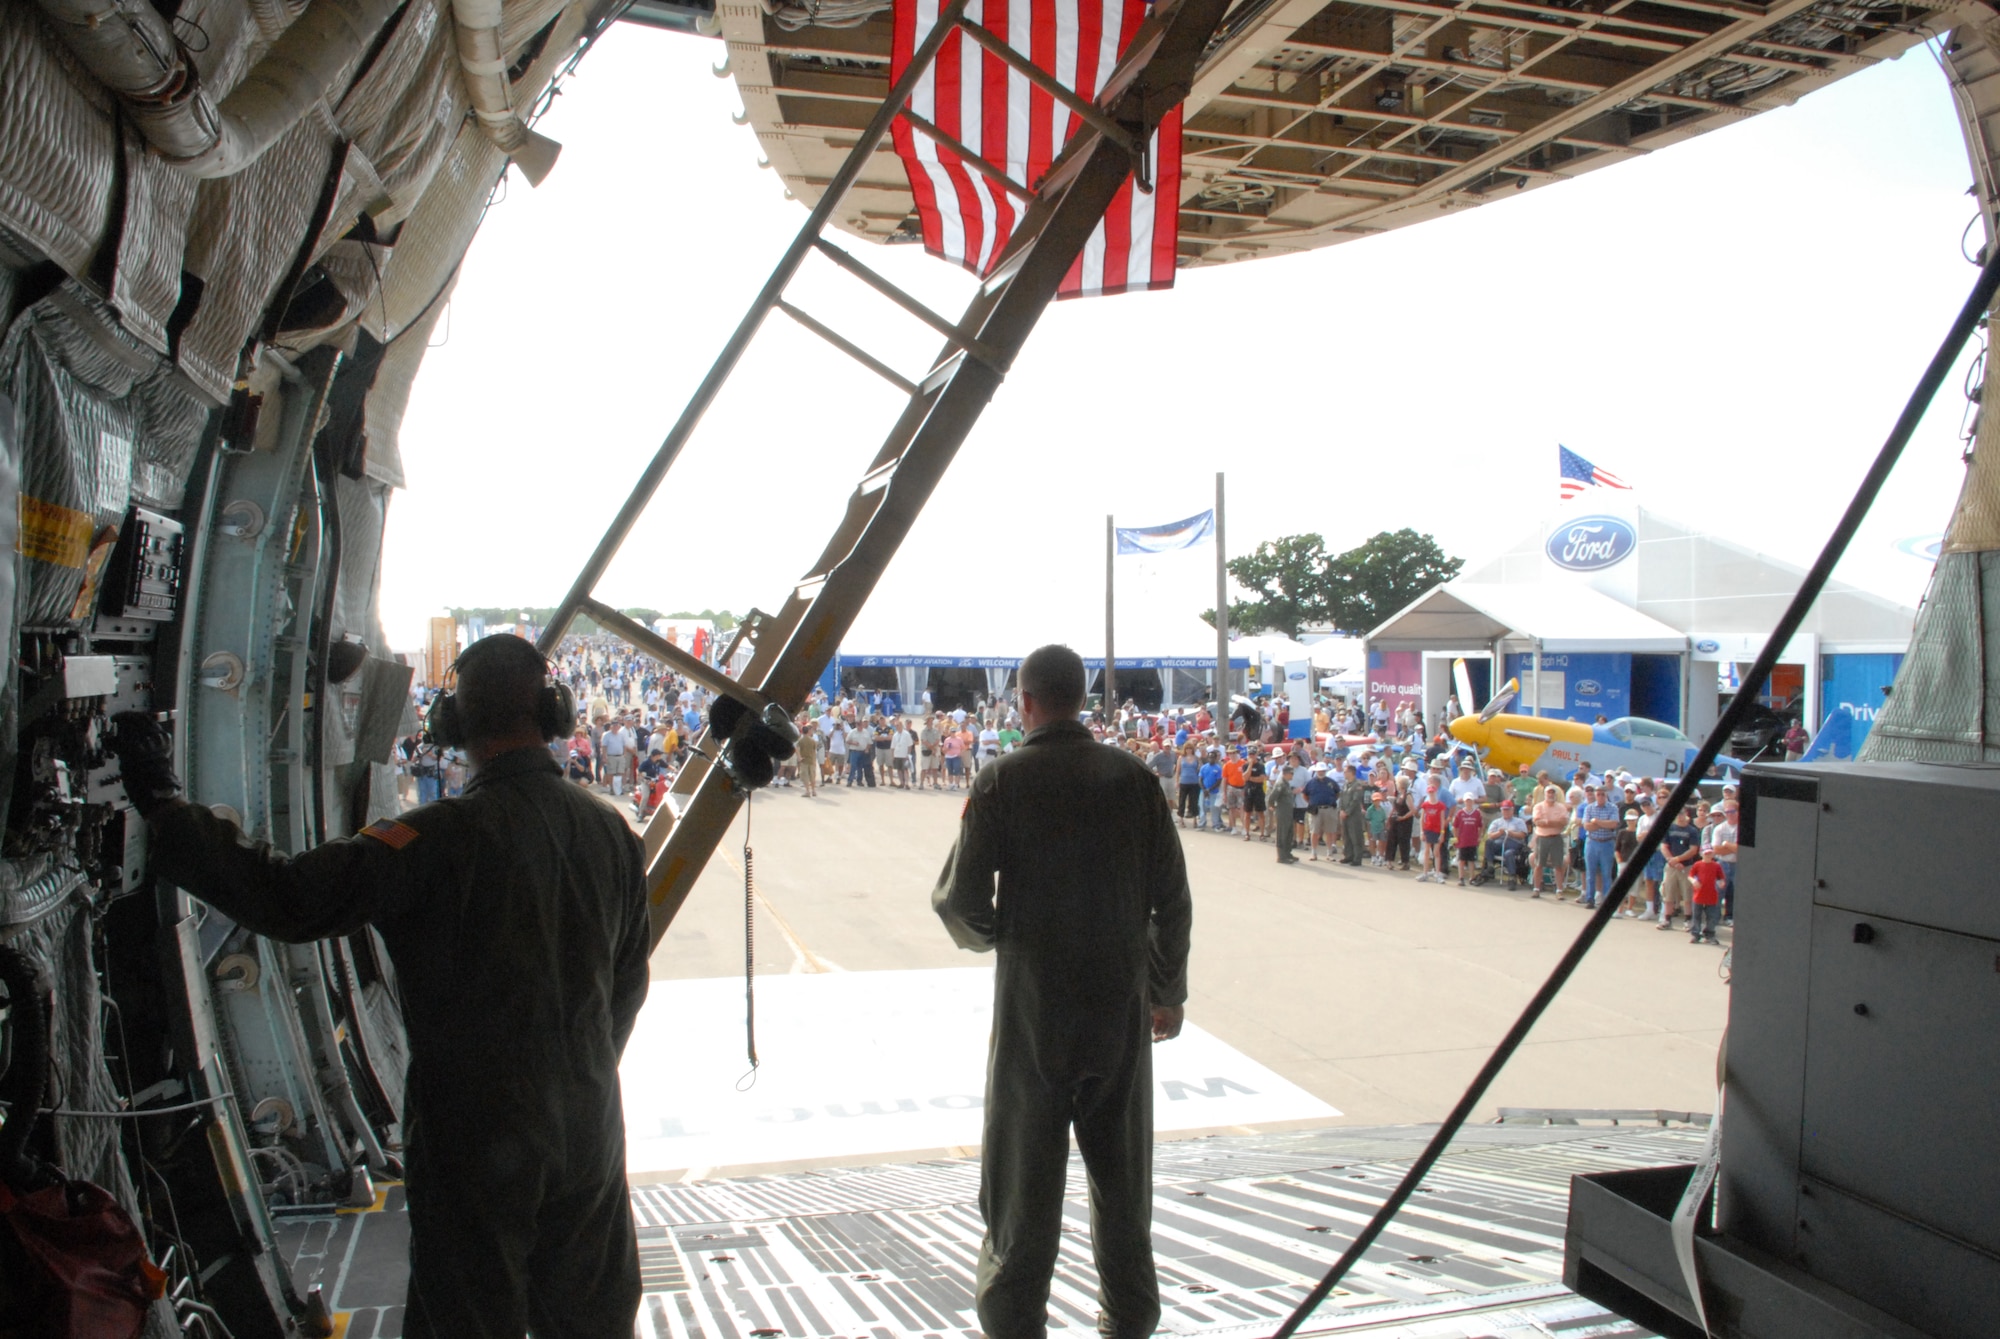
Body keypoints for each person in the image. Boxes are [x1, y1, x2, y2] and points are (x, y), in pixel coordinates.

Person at [110, 635, 648, 1337]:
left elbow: (291, 897)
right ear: (552, 711)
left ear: (455, 724)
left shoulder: (435, 838)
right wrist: (574, 1074)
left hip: (478, 1139)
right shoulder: (612, 833)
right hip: (591, 1130)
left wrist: (166, 808)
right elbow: (628, 988)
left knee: (465, 1318)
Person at [931, 645, 1192, 1339]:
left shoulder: (1000, 781)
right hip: (1119, 1011)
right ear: (1083, 699)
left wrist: (999, 937)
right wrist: (1167, 990)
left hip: (1034, 1012)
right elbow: (1173, 898)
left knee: (1021, 1188)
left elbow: (958, 902)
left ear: (1025, 701)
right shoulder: (1136, 780)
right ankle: (1130, 1320)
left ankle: (1016, 1321)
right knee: (1124, 1187)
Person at [1575, 783, 1622, 909]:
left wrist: (1596, 822)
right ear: (1595, 795)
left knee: (1607, 873)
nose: (1600, 796)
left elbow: (1613, 824)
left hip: (1607, 842)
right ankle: (1590, 899)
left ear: (1606, 795)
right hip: (1592, 842)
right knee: (1590, 872)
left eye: (1603, 794)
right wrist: (1602, 824)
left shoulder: (1613, 808)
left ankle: (1606, 900)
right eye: (1598, 794)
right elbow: (1586, 826)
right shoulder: (1589, 808)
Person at [1529, 784, 1569, 897]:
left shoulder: (1561, 807)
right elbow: (1537, 822)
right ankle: (1536, 889)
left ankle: (1559, 891)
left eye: (1553, 793)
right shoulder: (1538, 806)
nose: (1551, 795)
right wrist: (1554, 822)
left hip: (1556, 837)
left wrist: (1547, 821)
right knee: (1539, 864)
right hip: (1542, 838)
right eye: (1549, 792)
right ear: (1545, 794)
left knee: (1558, 865)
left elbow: (1564, 822)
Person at [1688, 849, 1725, 944]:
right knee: (1696, 915)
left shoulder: (1716, 866)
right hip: (1699, 894)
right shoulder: (1697, 864)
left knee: (1711, 916)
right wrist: (1694, 881)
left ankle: (1709, 934)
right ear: (1702, 854)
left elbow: (1721, 878)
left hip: (1711, 895)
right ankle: (1695, 934)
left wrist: (1721, 883)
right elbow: (1690, 875)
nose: (1708, 856)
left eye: (1710, 854)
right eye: (1706, 854)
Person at [1337, 765, 1368, 865]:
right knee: (1346, 836)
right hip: (1344, 814)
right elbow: (1341, 798)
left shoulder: (1357, 785)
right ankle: (1348, 855)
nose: (1344, 773)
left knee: (1355, 836)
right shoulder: (1346, 784)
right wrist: (1341, 810)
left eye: (1346, 772)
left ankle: (1357, 858)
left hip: (1354, 815)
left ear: (1351, 772)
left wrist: (1347, 812)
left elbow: (1355, 800)